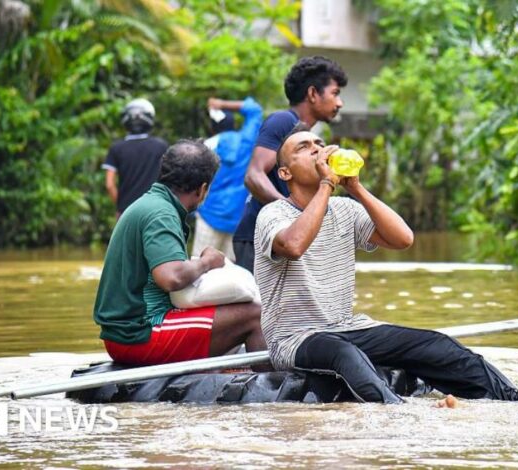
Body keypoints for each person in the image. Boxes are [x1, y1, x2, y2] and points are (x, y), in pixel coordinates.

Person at [254, 127, 518, 406]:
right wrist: (325, 185)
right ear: (285, 173)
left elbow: (402, 238)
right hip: (295, 338)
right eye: (303, 147)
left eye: (318, 143)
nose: (317, 149)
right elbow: (294, 246)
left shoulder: (345, 209)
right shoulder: (273, 214)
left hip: (349, 326)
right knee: (342, 354)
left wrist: (355, 188)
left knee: (435, 344)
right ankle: (402, 412)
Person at [94, 140, 267, 367]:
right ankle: (271, 391)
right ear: (202, 189)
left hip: (125, 333)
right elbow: (171, 277)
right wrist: (207, 262)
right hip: (139, 333)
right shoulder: (161, 214)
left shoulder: (151, 204)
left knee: (233, 311)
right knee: (255, 315)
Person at [232, 56, 347, 272]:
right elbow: (254, 176)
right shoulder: (283, 121)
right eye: (335, 93)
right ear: (313, 94)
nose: (339, 103)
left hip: (284, 237)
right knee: (260, 306)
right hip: (260, 238)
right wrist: (295, 212)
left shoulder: (307, 136)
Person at [191, 97, 264, 261]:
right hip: (237, 217)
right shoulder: (247, 141)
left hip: (209, 213)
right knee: (229, 272)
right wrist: (222, 104)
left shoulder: (205, 146)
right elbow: (255, 109)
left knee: (199, 267)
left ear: (212, 126)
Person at [102, 98, 169, 217]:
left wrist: (121, 206)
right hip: (155, 210)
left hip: (127, 212)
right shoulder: (161, 146)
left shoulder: (116, 148)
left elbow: (109, 184)